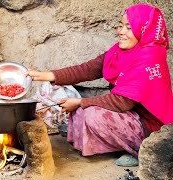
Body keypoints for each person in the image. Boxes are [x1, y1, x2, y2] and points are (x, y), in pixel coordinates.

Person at [27, 4, 173, 167]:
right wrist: (47, 75)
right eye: (120, 25)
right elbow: (89, 69)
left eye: (129, 27)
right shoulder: (120, 51)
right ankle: (118, 145)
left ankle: (141, 150)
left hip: (149, 127)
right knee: (83, 111)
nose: (120, 32)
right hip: (129, 115)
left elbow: (122, 102)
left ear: (143, 29)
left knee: (92, 114)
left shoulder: (150, 56)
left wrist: (80, 102)